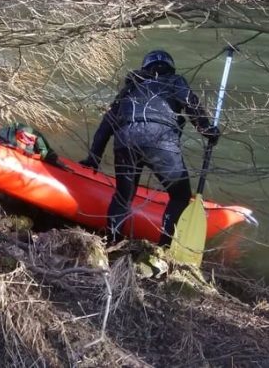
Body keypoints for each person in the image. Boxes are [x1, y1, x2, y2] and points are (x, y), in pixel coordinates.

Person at [78, 50, 220, 246]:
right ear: (169, 68)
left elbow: (106, 125)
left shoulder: (128, 89)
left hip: (124, 142)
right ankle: (164, 246)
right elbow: (190, 103)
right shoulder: (174, 81)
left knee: (123, 197)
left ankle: (112, 242)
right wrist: (207, 130)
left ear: (145, 68)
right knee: (180, 196)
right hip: (161, 141)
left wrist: (94, 157)